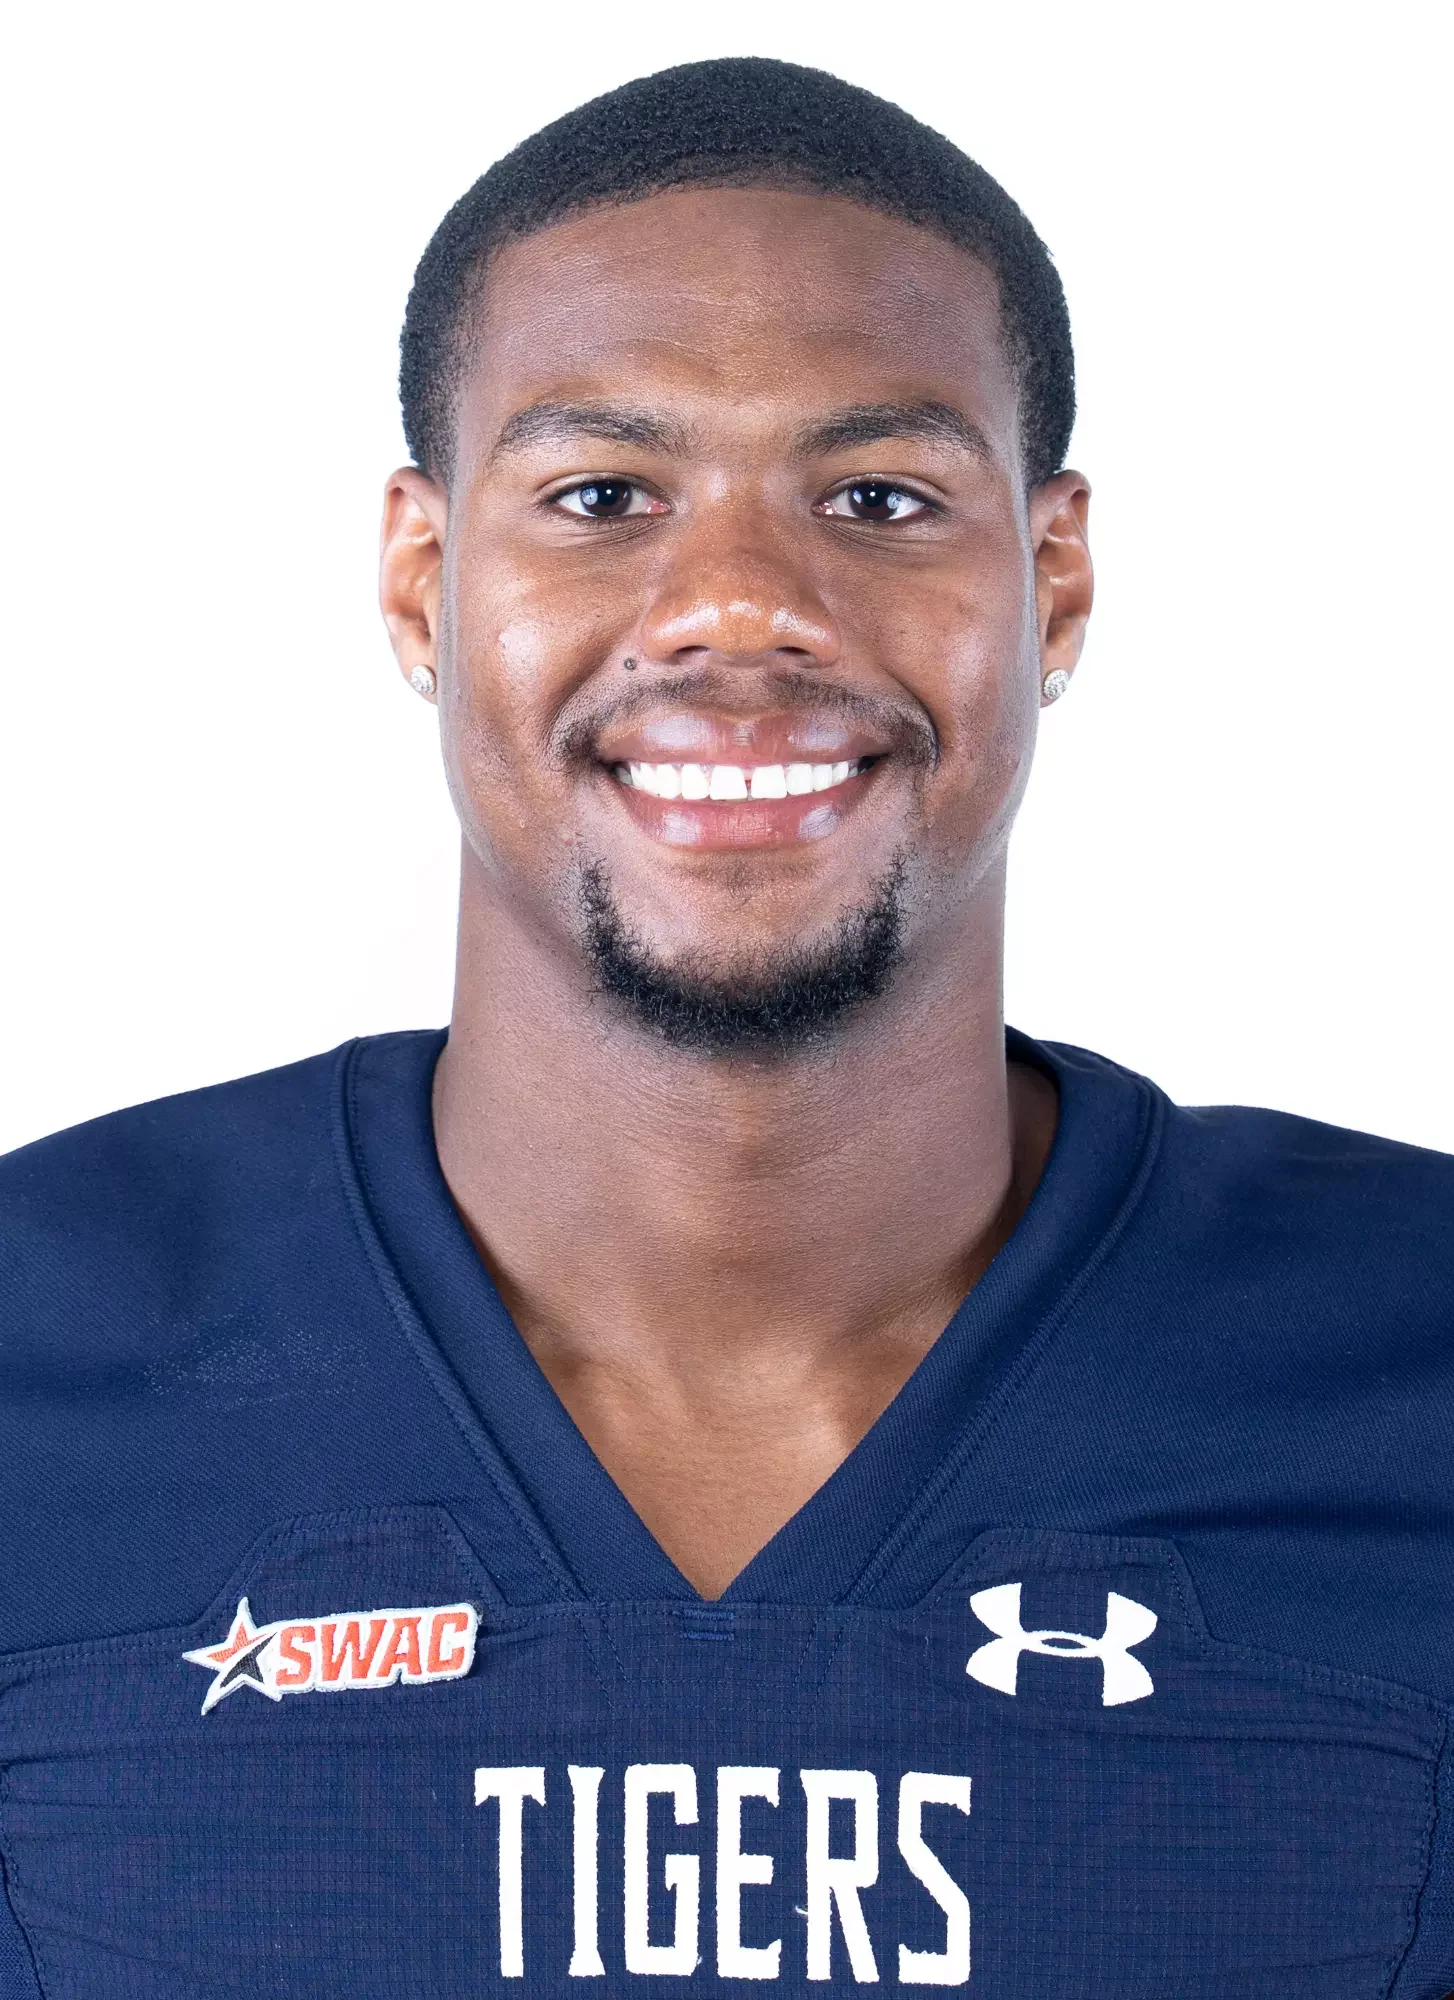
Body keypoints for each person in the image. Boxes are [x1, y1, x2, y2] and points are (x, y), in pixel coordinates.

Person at [0, 54, 1450, 1999]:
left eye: (877, 496)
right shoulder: (41, 1358)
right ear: (426, 579)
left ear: (1052, 575)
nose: (741, 608)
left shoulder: (1408, 1359)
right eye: (603, 495)